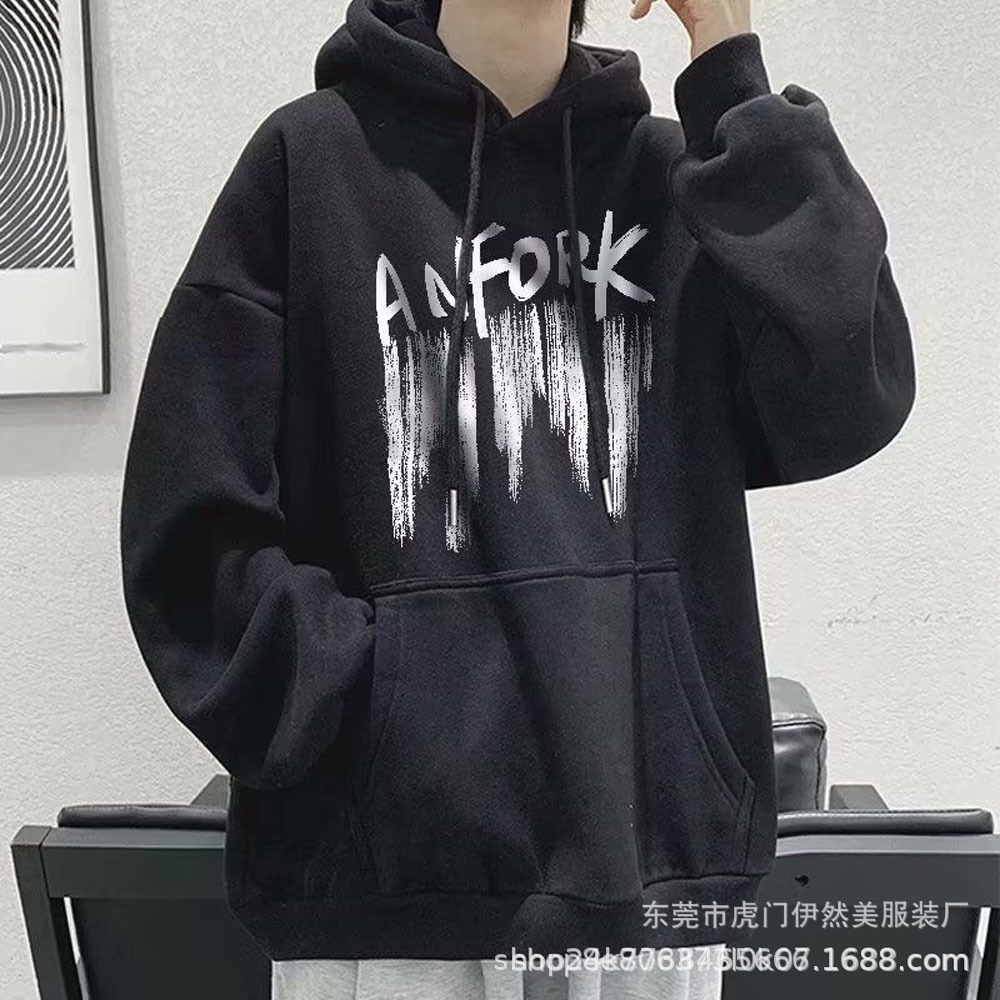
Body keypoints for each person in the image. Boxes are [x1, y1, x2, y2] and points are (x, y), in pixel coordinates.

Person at [118, 0, 916, 996]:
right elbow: (189, 527)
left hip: (651, 895)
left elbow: (852, 390)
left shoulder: (677, 180)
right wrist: (364, 715)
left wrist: (727, 66)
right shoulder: (308, 164)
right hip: (387, 903)